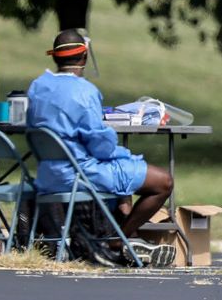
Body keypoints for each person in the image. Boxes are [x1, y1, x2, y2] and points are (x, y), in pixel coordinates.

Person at [28, 29, 177, 267]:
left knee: (125, 169)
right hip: (81, 174)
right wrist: (121, 150)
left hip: (48, 175)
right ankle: (121, 238)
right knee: (163, 181)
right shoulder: (85, 91)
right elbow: (102, 147)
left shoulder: (37, 87)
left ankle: (126, 233)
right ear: (84, 57)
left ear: (54, 57)